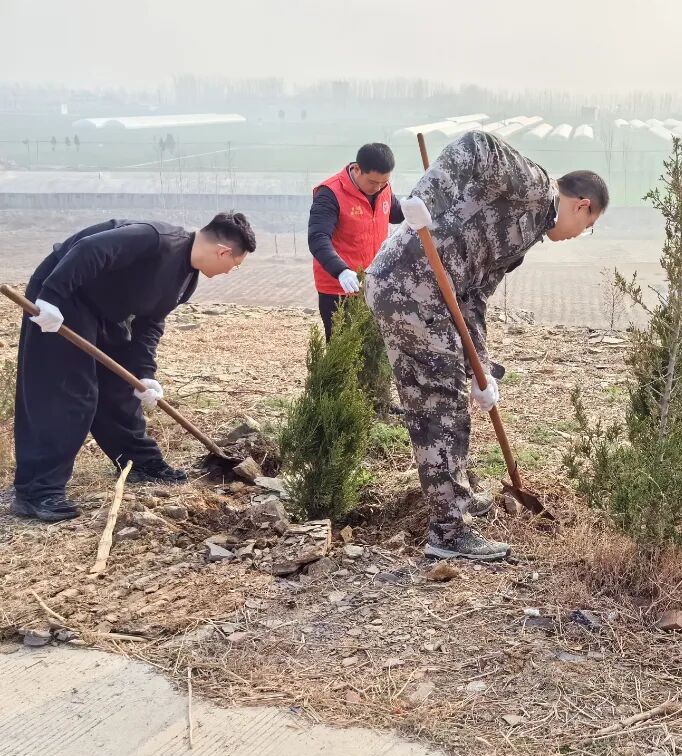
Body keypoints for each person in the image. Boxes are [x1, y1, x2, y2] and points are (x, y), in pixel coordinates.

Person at [366, 131, 607, 561]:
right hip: (414, 284)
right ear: (582, 205)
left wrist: (480, 366)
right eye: (586, 227)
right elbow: (476, 146)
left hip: (417, 288)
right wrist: (424, 198)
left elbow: (474, 297)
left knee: (441, 398)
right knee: (441, 404)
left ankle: (454, 498)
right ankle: (449, 531)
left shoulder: (531, 230)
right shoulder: (536, 186)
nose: (577, 234)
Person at [13, 212, 257, 522]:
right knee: (69, 392)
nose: (228, 272)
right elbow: (89, 250)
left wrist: (144, 374)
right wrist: (50, 298)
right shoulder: (155, 238)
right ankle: (36, 492)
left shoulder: (187, 279)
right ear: (223, 251)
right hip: (64, 297)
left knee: (119, 388)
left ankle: (141, 463)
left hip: (103, 312)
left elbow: (151, 322)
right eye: (234, 266)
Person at [308, 143, 403, 341]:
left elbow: (393, 213)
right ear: (357, 169)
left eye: (384, 182)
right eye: (372, 182)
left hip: (373, 282)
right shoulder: (330, 194)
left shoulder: (382, 187)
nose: (378, 188)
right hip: (340, 287)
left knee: (375, 349)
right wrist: (340, 270)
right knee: (343, 349)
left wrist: (413, 208)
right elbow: (318, 238)